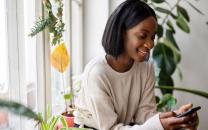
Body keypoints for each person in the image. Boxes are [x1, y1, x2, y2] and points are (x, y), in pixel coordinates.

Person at [74, 0, 199, 130]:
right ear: (122, 32)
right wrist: (159, 125)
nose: (150, 44)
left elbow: (145, 116)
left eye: (152, 37)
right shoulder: (97, 73)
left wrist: (175, 117)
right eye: (142, 36)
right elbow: (111, 128)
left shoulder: (146, 68)